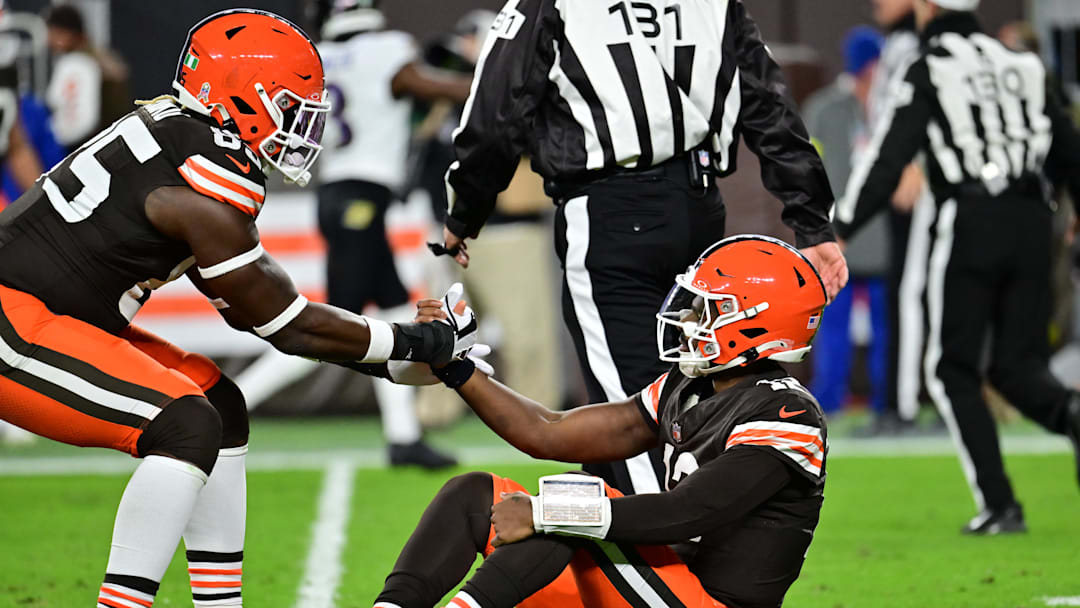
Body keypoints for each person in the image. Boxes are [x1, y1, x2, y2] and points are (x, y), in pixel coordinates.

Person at [0, 10, 478, 607]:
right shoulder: (204, 175)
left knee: (219, 406)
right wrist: (409, 344)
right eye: (289, 105)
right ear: (244, 98)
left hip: (52, 313)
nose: (301, 125)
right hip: (15, 319)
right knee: (182, 422)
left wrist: (398, 352)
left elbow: (255, 313)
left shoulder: (179, 135)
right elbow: (287, 323)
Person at [435, 0, 845, 497]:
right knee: (684, 393)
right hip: (699, 208)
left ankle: (663, 559)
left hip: (607, 207)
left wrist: (465, 210)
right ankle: (685, 532)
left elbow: (497, 108)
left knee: (624, 417)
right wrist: (813, 224)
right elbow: (768, 102)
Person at [374, 235, 828, 608]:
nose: (688, 318)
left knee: (572, 503)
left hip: (708, 601)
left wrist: (546, 512)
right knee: (473, 494)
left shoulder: (787, 414)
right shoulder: (688, 385)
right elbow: (548, 431)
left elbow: (687, 511)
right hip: (661, 586)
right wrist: (459, 370)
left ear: (755, 323)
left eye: (706, 308)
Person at [834, 0, 1080, 534]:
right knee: (1017, 368)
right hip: (1035, 225)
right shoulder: (1024, 62)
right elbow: (1068, 149)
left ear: (926, 6)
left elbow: (888, 156)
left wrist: (839, 228)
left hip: (970, 220)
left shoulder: (931, 65)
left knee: (951, 369)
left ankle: (1000, 505)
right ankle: (1073, 416)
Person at [233, 0, 473, 469]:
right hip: (360, 197)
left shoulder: (319, 53)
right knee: (332, 328)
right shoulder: (386, 48)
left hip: (340, 193)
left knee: (396, 315)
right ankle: (229, 401)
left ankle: (403, 437)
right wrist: (489, 82)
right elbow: (421, 84)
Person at [802, 27, 890, 422]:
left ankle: (885, 401)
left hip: (884, 237)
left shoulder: (891, 108)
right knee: (831, 327)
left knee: (888, 327)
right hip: (836, 239)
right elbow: (807, 169)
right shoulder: (824, 108)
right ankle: (827, 400)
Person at [43, 4, 130, 152]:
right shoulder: (101, 60)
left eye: (54, 33)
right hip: (112, 145)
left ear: (67, 34)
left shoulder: (79, 65)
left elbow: (79, 122)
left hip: (92, 149)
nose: (49, 40)